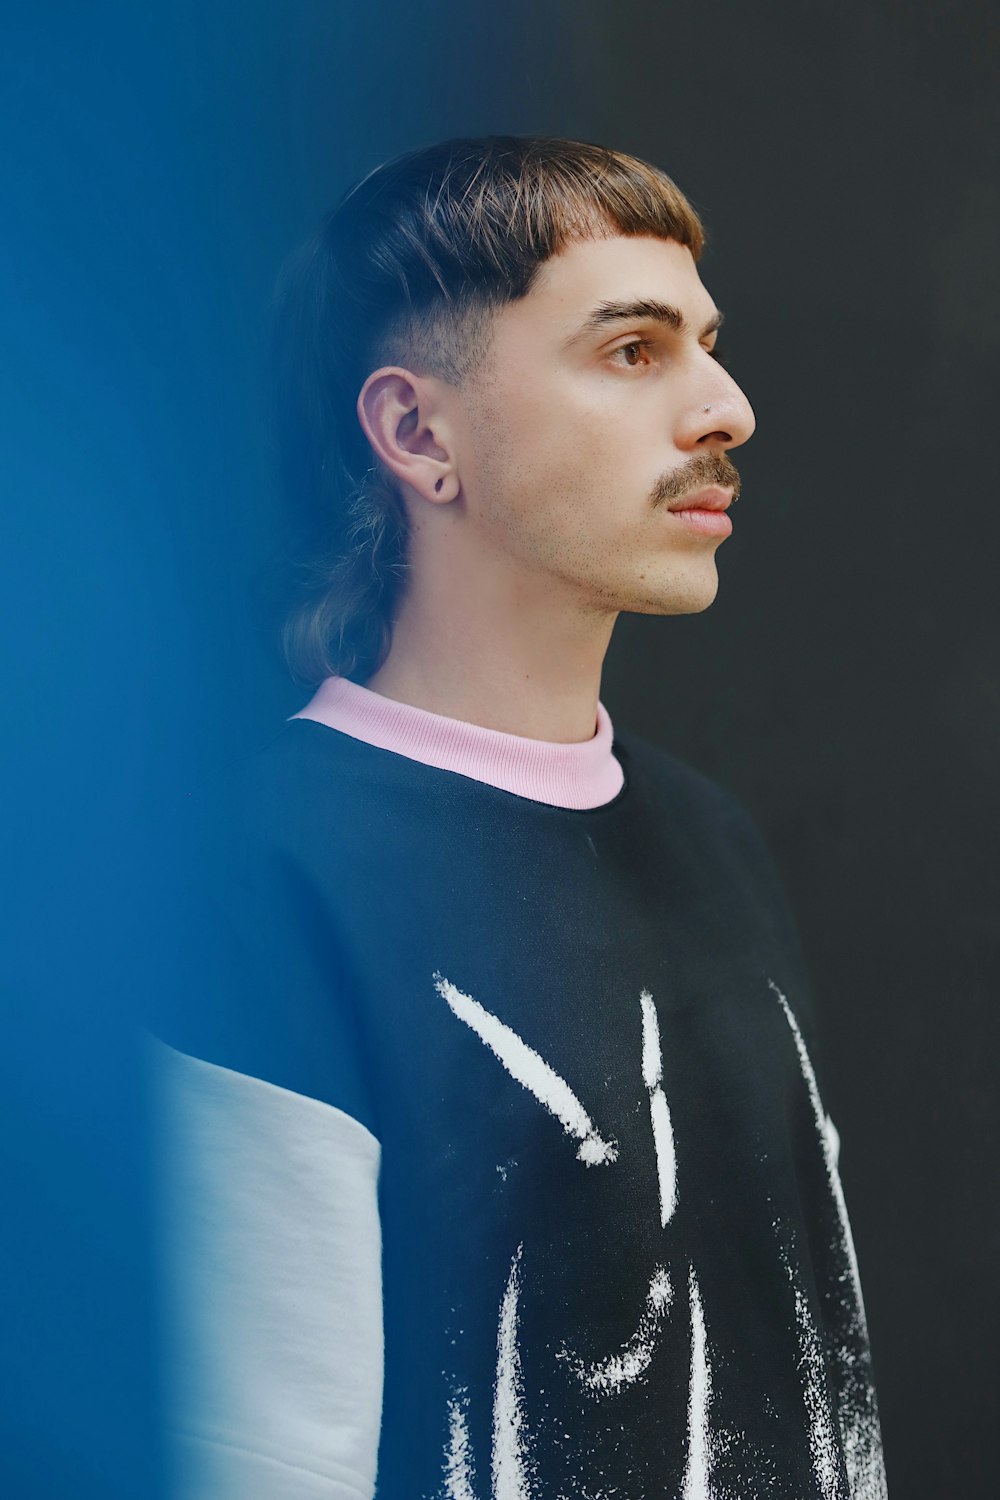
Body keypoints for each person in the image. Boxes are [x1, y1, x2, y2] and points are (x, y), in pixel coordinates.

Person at [151, 135, 887, 1499]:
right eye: (632, 350)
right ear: (418, 433)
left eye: (708, 344)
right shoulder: (253, 876)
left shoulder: (710, 839)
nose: (724, 405)